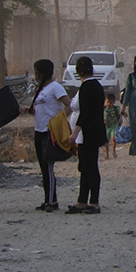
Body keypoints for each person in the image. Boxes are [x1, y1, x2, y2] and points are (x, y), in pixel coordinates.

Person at [28, 58, 69, 212]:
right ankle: (48, 199)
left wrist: (59, 121)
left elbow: (68, 104)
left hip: (48, 132)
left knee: (49, 167)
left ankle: (52, 201)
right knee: (43, 168)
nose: (35, 74)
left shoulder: (55, 87)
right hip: (39, 131)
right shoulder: (41, 89)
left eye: (36, 72)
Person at [69, 55, 107, 213]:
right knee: (85, 166)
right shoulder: (97, 86)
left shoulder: (86, 88)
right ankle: (82, 200)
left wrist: (74, 133)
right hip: (92, 132)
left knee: (90, 167)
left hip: (88, 133)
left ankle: (94, 202)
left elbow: (85, 113)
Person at [103, 95, 120, 160]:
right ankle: (107, 154)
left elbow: (120, 114)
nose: (109, 104)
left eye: (111, 102)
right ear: (105, 101)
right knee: (106, 140)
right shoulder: (104, 109)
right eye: (108, 102)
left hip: (114, 126)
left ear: (114, 102)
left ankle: (113, 151)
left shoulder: (116, 109)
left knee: (113, 138)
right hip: (107, 127)